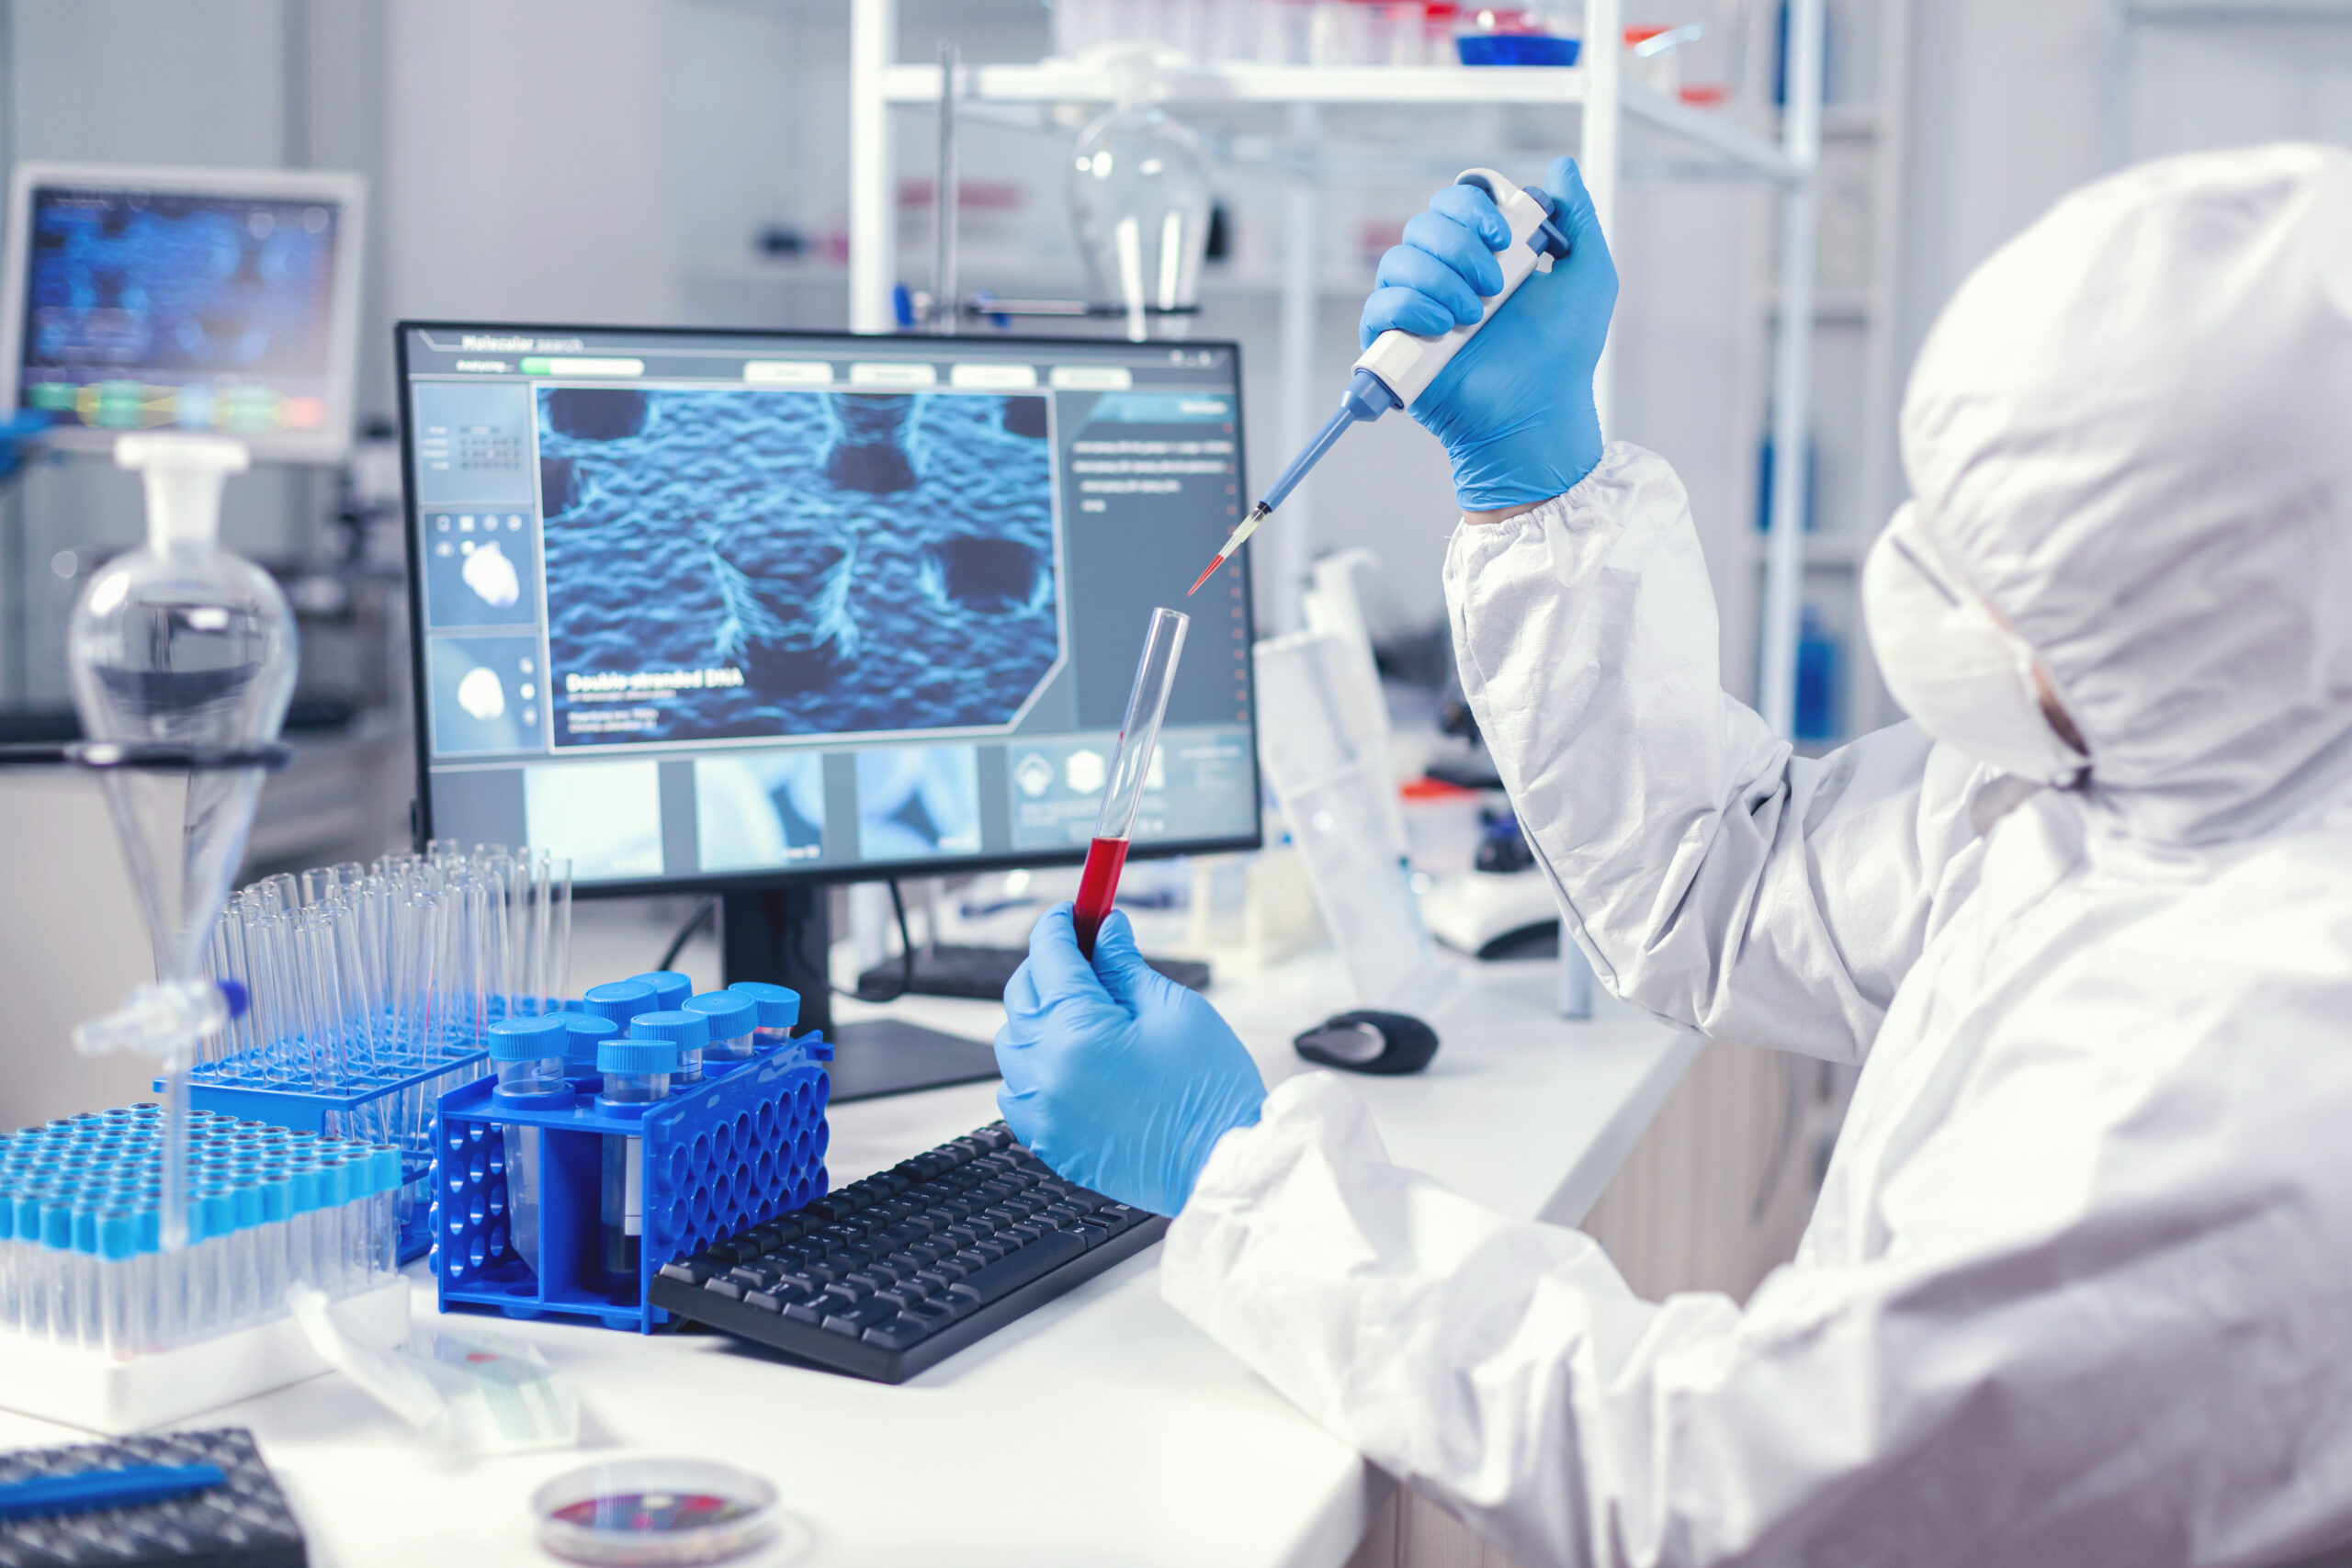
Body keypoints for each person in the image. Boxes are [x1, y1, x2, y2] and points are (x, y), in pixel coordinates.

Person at [996, 141, 2352, 1567]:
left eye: (2010, 584)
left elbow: (1723, 1485)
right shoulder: (2179, 765)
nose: (1920, 589)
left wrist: (1241, 1184)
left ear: (2221, 607)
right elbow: (1730, 879)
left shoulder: (2264, 1067)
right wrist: (1538, 482)